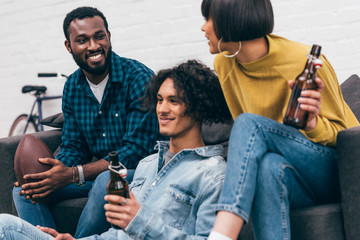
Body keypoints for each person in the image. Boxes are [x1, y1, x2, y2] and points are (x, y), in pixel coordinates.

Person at [0, 59, 232, 240]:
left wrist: (139, 219)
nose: (162, 108)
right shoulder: (148, 165)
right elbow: (118, 234)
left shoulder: (213, 175)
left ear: (200, 108)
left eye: (174, 101)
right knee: (4, 225)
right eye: (159, 99)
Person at [200, 0, 360, 240]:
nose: (203, 28)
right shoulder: (224, 65)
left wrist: (312, 125)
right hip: (289, 174)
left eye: (208, 19)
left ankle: (223, 232)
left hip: (331, 172)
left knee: (248, 124)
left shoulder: (302, 61)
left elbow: (347, 135)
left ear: (230, 20)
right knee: (268, 167)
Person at [12, 6, 159, 238]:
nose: (93, 46)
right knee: (26, 190)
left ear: (109, 37)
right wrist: (52, 173)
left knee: (106, 179)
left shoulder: (138, 78)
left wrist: (74, 174)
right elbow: (74, 146)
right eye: (82, 40)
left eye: (99, 36)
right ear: (69, 46)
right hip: (93, 176)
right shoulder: (73, 86)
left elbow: (136, 152)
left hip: (138, 174)